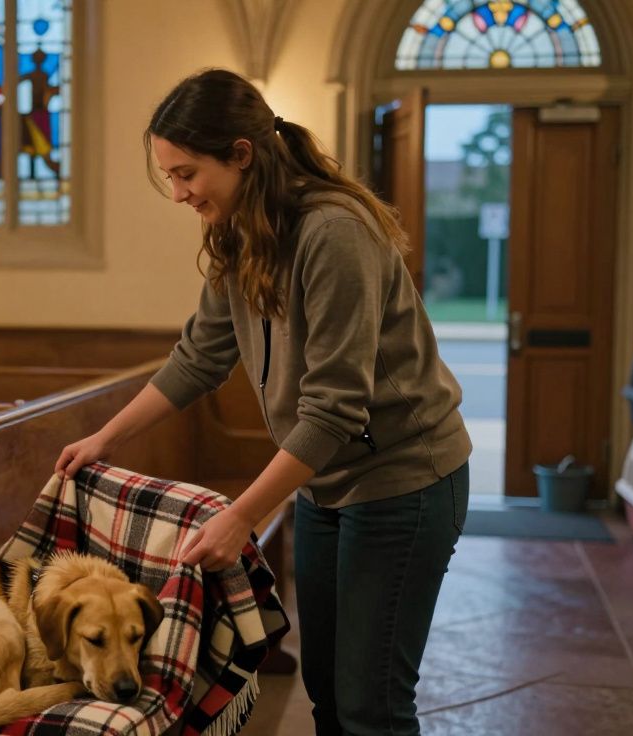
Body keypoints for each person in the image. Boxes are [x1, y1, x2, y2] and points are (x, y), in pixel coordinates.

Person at [55, 68, 471, 736]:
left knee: (372, 707)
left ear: (241, 155)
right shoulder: (239, 230)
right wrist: (104, 439)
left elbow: (334, 409)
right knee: (327, 692)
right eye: (169, 176)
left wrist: (243, 516)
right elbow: (198, 358)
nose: (178, 193)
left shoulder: (333, 233)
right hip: (327, 481)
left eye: (187, 173)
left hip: (404, 481)